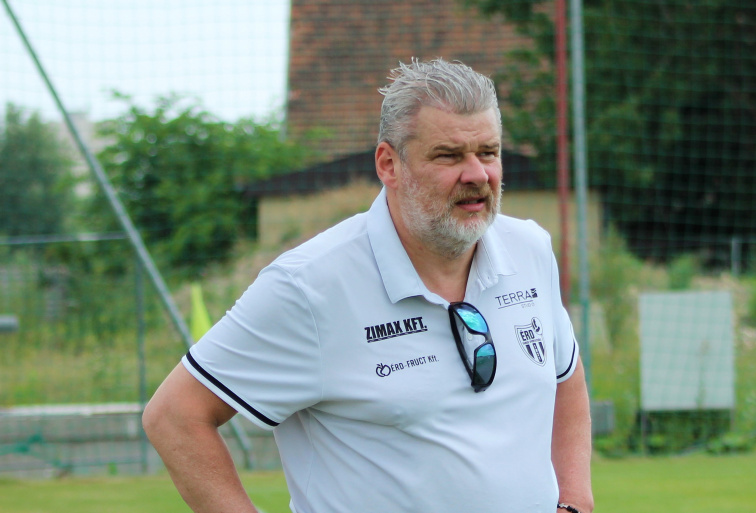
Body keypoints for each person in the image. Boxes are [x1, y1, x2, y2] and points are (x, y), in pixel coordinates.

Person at [143, 58, 594, 513]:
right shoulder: (309, 286)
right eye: (449, 155)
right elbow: (175, 416)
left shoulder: (530, 249)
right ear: (388, 164)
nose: (477, 174)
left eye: (488, 152)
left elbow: (565, 377)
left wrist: (574, 499)